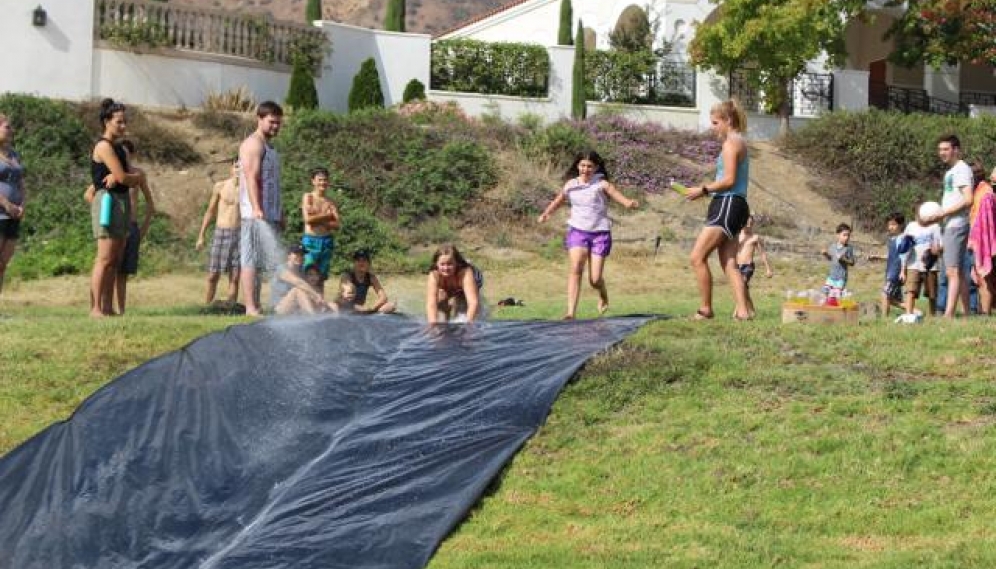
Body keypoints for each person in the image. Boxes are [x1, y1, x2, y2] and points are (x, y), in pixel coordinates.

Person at [537, 150, 638, 320]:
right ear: (578, 166)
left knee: (595, 279)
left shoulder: (601, 184)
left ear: (596, 167)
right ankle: (570, 313)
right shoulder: (571, 184)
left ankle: (603, 294)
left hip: (600, 233)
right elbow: (559, 200)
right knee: (576, 267)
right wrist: (547, 213)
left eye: (589, 166)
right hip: (578, 230)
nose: (585, 169)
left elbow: (617, 196)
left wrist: (629, 203)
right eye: (582, 165)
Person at [685, 100, 752, 321]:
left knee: (697, 257)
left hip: (728, 203)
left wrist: (702, 189)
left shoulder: (731, 143)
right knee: (729, 261)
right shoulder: (739, 142)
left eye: (715, 123)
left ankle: (706, 309)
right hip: (737, 205)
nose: (713, 127)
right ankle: (744, 311)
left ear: (728, 121)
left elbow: (729, 180)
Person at [89, 99, 145, 318]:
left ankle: (108, 306)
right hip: (107, 201)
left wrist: (129, 176)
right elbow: (127, 177)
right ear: (106, 121)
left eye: (125, 122)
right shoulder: (103, 146)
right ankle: (95, 308)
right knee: (104, 258)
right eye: (119, 122)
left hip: (122, 200)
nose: (123, 126)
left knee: (115, 260)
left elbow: (130, 177)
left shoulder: (121, 148)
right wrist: (131, 176)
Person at [239, 101, 285, 316]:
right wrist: (257, 208)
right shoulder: (253, 144)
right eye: (272, 122)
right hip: (254, 214)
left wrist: (280, 212)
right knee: (250, 260)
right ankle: (250, 307)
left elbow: (274, 182)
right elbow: (251, 176)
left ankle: (260, 304)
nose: (276, 126)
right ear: (259, 119)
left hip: (271, 212)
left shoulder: (270, 147)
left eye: (278, 123)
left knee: (264, 262)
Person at [921, 134, 973, 318]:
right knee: (959, 272)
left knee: (951, 271)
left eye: (946, 149)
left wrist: (943, 213)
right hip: (950, 224)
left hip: (956, 225)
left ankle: (948, 315)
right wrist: (938, 218)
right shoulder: (950, 172)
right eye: (940, 149)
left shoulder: (961, 169)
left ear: (956, 150)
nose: (941, 153)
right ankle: (968, 313)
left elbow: (968, 199)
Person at [112, 140, 155, 315]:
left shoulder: (138, 174)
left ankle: (121, 310)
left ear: (132, 155)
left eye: (125, 153)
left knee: (123, 272)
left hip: (131, 226)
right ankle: (106, 307)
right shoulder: (113, 173)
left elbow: (150, 204)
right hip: (115, 226)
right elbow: (90, 194)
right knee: (111, 267)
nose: (122, 157)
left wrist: (143, 227)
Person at [196, 158, 241, 305]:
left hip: (240, 233)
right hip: (221, 231)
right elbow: (210, 211)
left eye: (242, 167)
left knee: (235, 276)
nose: (239, 170)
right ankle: (207, 306)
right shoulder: (220, 186)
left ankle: (231, 307)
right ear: (231, 168)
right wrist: (201, 235)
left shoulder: (249, 189)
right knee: (213, 274)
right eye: (236, 167)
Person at [301, 166, 340, 296]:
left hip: (326, 241)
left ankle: (320, 304)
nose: (323, 183)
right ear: (313, 181)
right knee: (309, 273)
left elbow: (336, 225)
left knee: (321, 275)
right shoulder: (308, 197)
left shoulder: (330, 202)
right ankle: (307, 305)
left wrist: (317, 216)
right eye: (320, 180)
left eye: (325, 180)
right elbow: (308, 220)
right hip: (310, 241)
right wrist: (327, 215)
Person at [0, 113, 26, 297]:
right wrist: (6, 204)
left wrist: (22, 204)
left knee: (3, 262)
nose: (11, 130)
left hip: (14, 214)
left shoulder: (14, 154)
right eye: (7, 127)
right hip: (1, 213)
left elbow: (21, 183)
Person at [869, 212, 912, 318]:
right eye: (889, 225)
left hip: (896, 273)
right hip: (890, 272)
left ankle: (884, 319)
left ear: (901, 225)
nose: (890, 227)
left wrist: (903, 271)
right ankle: (913, 310)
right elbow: (892, 256)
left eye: (893, 224)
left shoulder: (903, 239)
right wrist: (878, 257)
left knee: (885, 294)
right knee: (893, 300)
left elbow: (904, 256)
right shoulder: (892, 240)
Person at [425, 243, 481, 324]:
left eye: (450, 264)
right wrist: (433, 325)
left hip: (471, 280)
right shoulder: (434, 275)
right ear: (436, 264)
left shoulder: (465, 272)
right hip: (449, 284)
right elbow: (431, 304)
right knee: (441, 298)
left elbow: (473, 302)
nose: (446, 268)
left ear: (456, 263)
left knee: (461, 304)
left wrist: (468, 325)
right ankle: (444, 324)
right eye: (442, 264)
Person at [903, 203, 942, 317]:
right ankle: (909, 315)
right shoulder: (911, 226)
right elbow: (904, 247)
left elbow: (940, 244)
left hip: (931, 265)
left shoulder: (935, 226)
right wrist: (903, 266)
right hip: (913, 265)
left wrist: (935, 250)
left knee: (932, 293)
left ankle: (933, 314)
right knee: (911, 291)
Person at [968, 164, 996, 314]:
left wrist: (986, 245)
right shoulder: (980, 191)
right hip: (978, 241)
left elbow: (987, 222)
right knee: (981, 278)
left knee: (985, 277)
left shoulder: (985, 193)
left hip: (984, 242)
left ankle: (985, 312)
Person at [736, 214, 773, 317]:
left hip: (748, 266)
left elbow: (762, 253)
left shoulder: (755, 237)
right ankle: (752, 311)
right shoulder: (736, 236)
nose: (749, 225)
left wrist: (768, 269)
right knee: (744, 290)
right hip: (737, 265)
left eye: (751, 223)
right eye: (747, 223)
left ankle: (737, 313)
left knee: (741, 286)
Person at [338, 249, 396, 314]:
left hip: (362, 309)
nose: (361, 263)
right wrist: (358, 307)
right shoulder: (347, 276)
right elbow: (345, 298)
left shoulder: (371, 277)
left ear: (368, 263)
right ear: (354, 263)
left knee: (391, 305)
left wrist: (371, 308)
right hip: (347, 307)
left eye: (364, 260)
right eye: (358, 260)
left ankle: (369, 315)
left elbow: (383, 297)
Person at [821, 222, 855, 300]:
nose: (847, 237)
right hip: (831, 276)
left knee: (835, 296)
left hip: (841, 277)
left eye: (848, 235)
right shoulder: (832, 246)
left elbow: (852, 262)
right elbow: (831, 259)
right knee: (825, 292)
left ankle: (837, 309)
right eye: (844, 235)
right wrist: (825, 254)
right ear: (837, 235)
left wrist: (844, 259)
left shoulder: (848, 248)